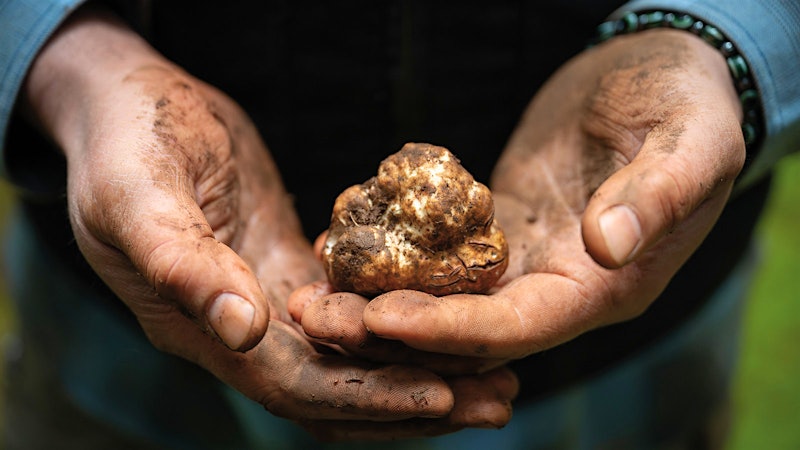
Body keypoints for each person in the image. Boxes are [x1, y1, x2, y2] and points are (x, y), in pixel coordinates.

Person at [0, 0, 797, 449]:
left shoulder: (459, 230)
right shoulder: (373, 224)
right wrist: (73, 65)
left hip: (624, 357)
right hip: (129, 342)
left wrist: (724, 43)